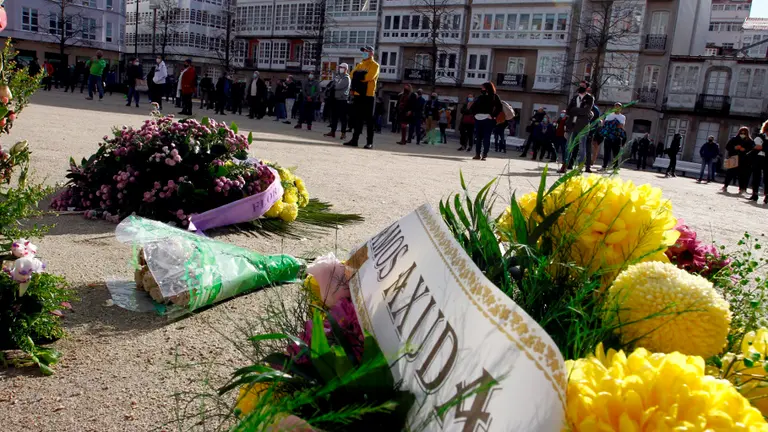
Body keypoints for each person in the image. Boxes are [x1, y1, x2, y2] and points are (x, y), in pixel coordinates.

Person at [344, 46, 380, 149]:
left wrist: (357, 76)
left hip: (368, 95)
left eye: (366, 51)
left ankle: (370, 142)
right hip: (358, 94)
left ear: (371, 53)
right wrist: (359, 75)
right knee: (357, 118)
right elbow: (351, 75)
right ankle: (354, 140)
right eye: (363, 51)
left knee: (369, 120)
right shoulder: (360, 64)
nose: (364, 53)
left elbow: (369, 77)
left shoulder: (375, 65)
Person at [564, 81, 595, 173]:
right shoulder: (574, 98)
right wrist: (576, 110)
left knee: (582, 148)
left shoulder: (589, 98)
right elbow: (568, 111)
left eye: (583, 85)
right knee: (568, 147)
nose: (581, 86)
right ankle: (564, 166)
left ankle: (580, 167)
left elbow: (586, 111)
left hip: (582, 126)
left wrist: (574, 110)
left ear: (587, 88)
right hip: (572, 125)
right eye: (580, 85)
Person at [470, 82, 503, 161]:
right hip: (478, 118)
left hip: (488, 119)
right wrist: (474, 115)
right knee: (478, 137)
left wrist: (492, 115)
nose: (481, 89)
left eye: (483, 87)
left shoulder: (494, 96)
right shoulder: (480, 97)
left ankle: (484, 154)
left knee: (486, 137)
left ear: (487, 88)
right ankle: (477, 154)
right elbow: (473, 107)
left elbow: (499, 107)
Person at [723, 127, 755, 193]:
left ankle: (741, 189)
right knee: (729, 173)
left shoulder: (750, 141)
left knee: (742, 175)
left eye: (744, 133)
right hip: (733, 157)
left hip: (744, 159)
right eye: (741, 133)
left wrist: (745, 150)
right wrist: (734, 147)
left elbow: (752, 150)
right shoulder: (734, 139)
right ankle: (725, 186)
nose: (742, 134)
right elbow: (727, 147)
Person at [325, 63, 351, 139]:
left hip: (342, 100)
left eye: (342, 67)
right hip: (335, 99)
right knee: (334, 117)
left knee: (343, 118)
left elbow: (338, 86)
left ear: (346, 69)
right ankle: (332, 131)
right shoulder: (338, 76)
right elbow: (332, 84)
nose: (340, 69)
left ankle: (343, 133)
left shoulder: (346, 78)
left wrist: (333, 85)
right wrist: (333, 85)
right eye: (339, 67)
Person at [600, 103, 628, 170]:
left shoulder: (623, 117)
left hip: (617, 137)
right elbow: (605, 124)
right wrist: (615, 124)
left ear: (620, 109)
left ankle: (615, 167)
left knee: (616, 152)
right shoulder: (609, 115)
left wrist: (611, 124)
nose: (617, 108)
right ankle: (604, 166)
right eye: (615, 107)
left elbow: (621, 126)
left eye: (618, 107)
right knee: (606, 152)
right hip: (608, 137)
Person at [749, 120, 768, 203]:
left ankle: (767, 195)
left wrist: (762, 147)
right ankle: (755, 194)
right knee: (756, 176)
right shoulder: (759, 136)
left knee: (767, 178)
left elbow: (761, 147)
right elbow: (754, 146)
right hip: (758, 158)